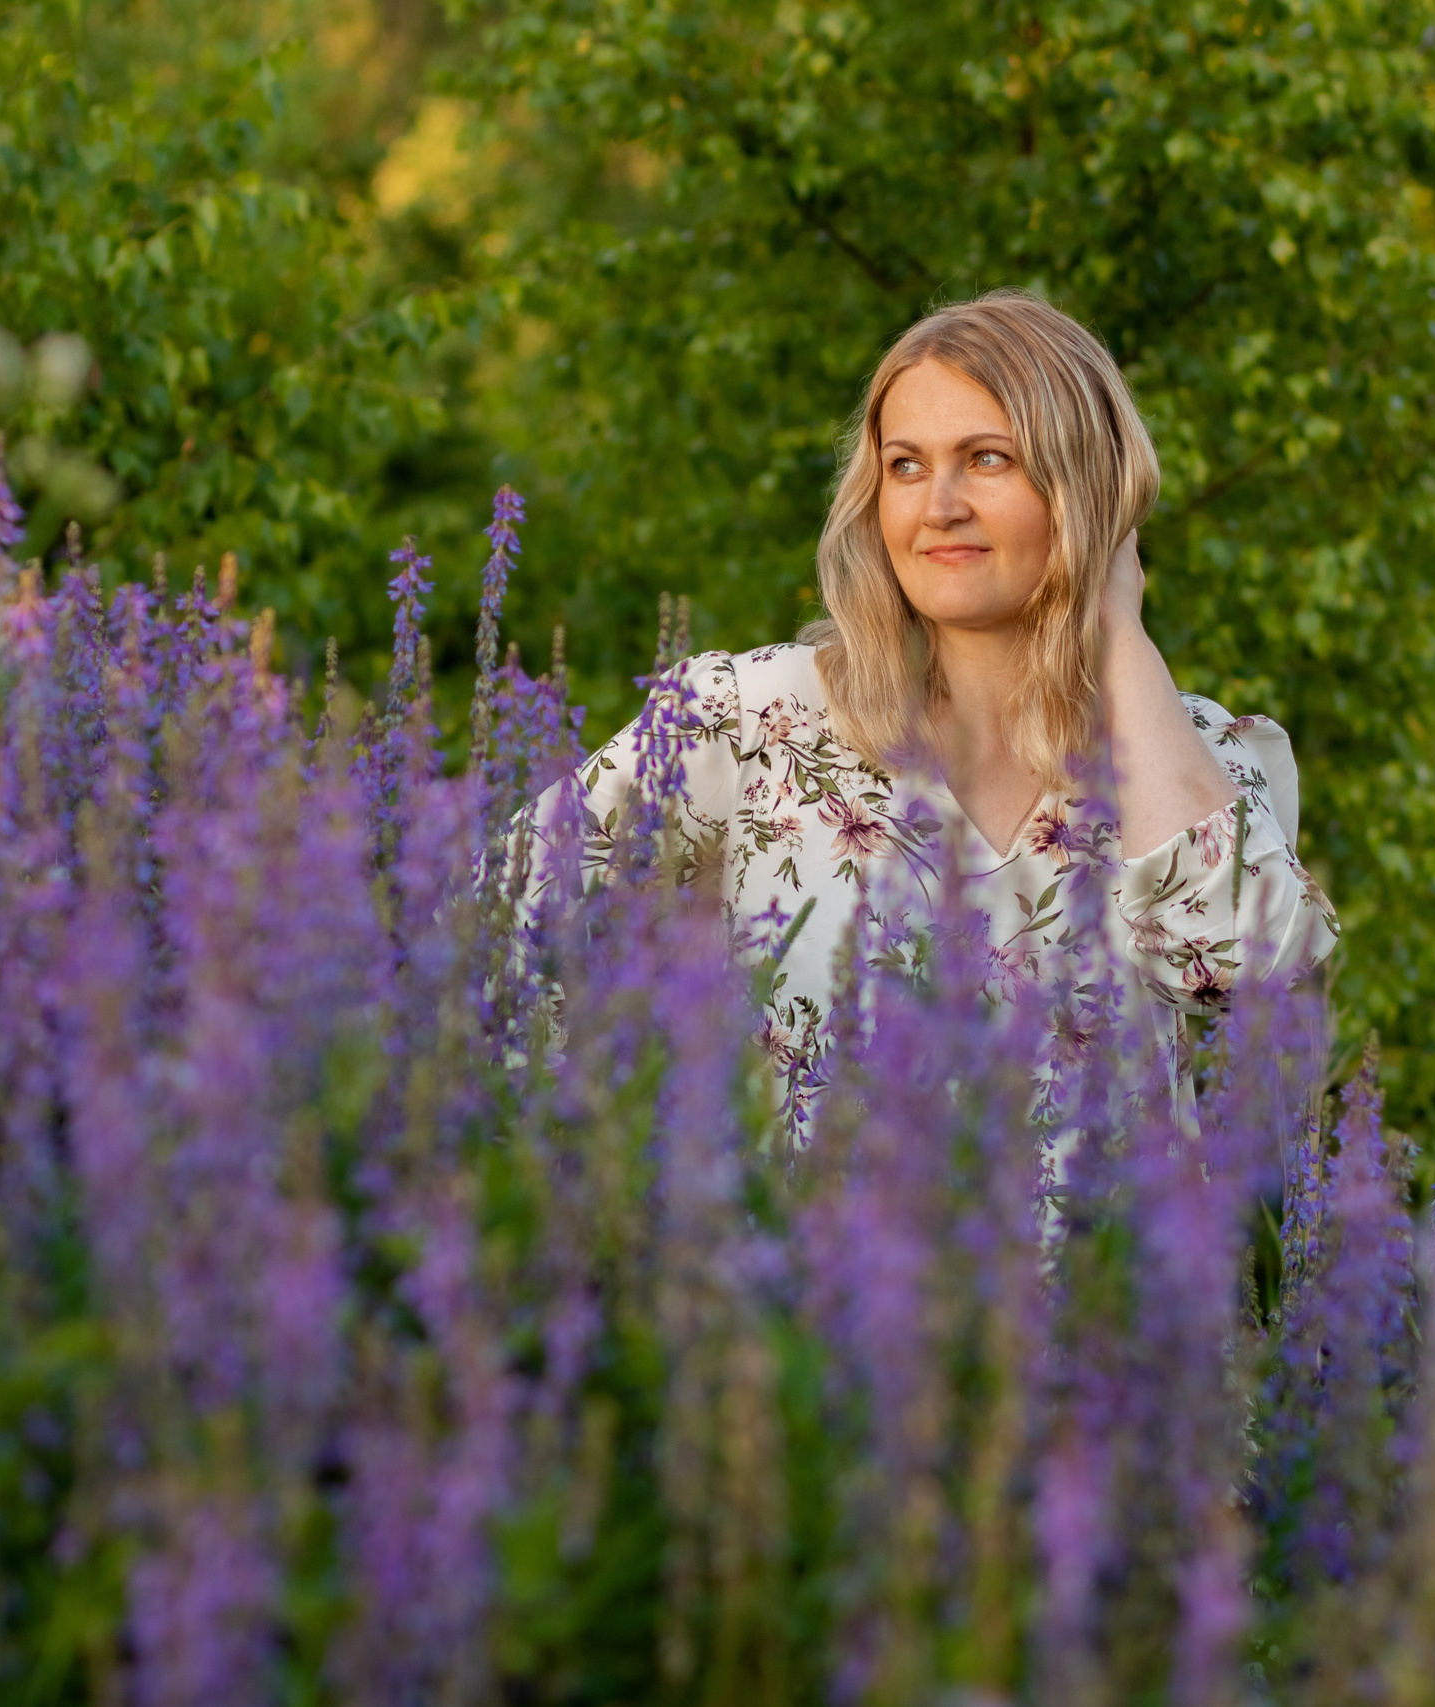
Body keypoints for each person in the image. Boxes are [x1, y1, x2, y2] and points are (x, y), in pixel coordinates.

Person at [542, 289, 1340, 1118]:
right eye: (907, 465)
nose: (939, 506)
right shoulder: (750, 722)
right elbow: (486, 940)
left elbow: (1238, 972)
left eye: (988, 458)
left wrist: (1118, 627)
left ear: (1085, 486)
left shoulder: (1193, 751)